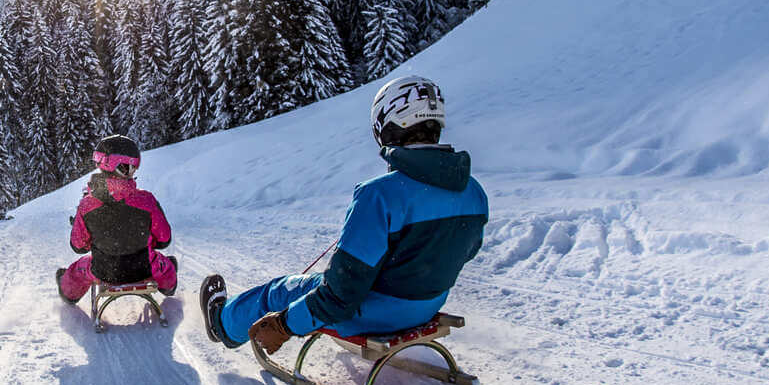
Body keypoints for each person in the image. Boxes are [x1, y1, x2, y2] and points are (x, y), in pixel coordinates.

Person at [200, 75, 487, 354]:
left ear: (388, 125)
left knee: (279, 291)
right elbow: (462, 252)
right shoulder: (474, 192)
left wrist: (284, 324)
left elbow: (340, 295)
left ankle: (223, 326)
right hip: (427, 307)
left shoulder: (379, 195)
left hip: (370, 315)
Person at [57, 134, 179, 302]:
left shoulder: (87, 205)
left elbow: (78, 246)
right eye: (132, 167)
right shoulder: (146, 200)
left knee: (81, 267)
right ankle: (168, 284)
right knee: (163, 264)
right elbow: (164, 239)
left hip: (103, 272)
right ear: (123, 167)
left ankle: (68, 292)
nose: (134, 171)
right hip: (143, 269)